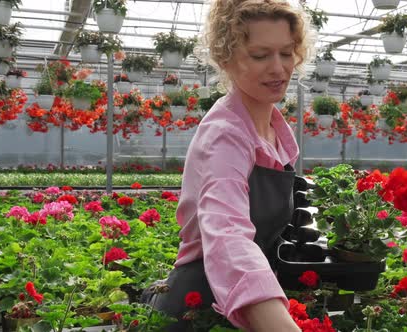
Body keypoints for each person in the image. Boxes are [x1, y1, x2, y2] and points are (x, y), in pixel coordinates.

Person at [150, 0, 314, 330]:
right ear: (227, 58)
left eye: (286, 53)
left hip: (250, 303)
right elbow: (228, 237)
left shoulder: (272, 132)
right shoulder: (225, 135)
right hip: (199, 310)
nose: (279, 68)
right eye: (260, 55)